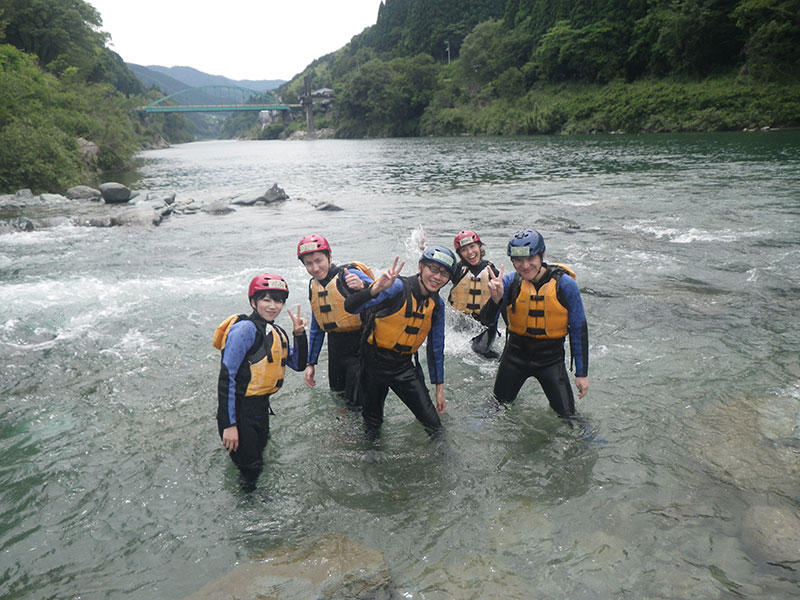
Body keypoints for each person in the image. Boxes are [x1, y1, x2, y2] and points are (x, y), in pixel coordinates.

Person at [344, 246, 457, 439]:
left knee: (434, 426)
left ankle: (445, 465)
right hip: (373, 364)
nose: (438, 277)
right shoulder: (396, 287)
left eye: (445, 273)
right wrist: (377, 288)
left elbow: (436, 348)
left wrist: (439, 389)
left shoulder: (437, 305)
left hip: (403, 367)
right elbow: (351, 307)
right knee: (372, 426)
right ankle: (372, 463)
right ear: (421, 267)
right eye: (434, 269)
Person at [480, 229, 589, 422]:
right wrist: (495, 299)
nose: (525, 265)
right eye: (518, 261)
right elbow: (486, 321)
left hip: (550, 361)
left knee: (569, 417)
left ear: (542, 256)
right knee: (496, 406)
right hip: (514, 358)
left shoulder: (564, 285)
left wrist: (581, 374)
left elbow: (579, 329)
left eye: (531, 258)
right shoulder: (508, 282)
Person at [213, 273, 307, 489]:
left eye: (278, 300)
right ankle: (248, 511)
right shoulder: (245, 330)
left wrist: (299, 334)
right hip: (240, 412)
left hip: (261, 410)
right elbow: (227, 377)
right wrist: (230, 425)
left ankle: (257, 502)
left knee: (259, 461)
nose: (273, 305)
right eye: (266, 299)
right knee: (251, 469)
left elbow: (299, 364)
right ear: (253, 302)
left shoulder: (276, 332)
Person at [297, 234, 372, 407]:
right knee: (338, 399)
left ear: (330, 257)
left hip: (360, 348)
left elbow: (386, 293)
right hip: (336, 351)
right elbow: (317, 326)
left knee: (357, 404)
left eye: (319, 260)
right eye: (309, 263)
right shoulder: (313, 285)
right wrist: (311, 363)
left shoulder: (349, 274)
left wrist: (364, 287)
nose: (315, 268)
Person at [448, 229, 501, 358]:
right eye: (464, 250)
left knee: (479, 351)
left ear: (479, 246)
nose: (470, 252)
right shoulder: (457, 270)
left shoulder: (492, 271)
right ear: (460, 253)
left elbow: (504, 301)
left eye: (472, 246)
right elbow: (436, 276)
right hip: (462, 322)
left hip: (485, 325)